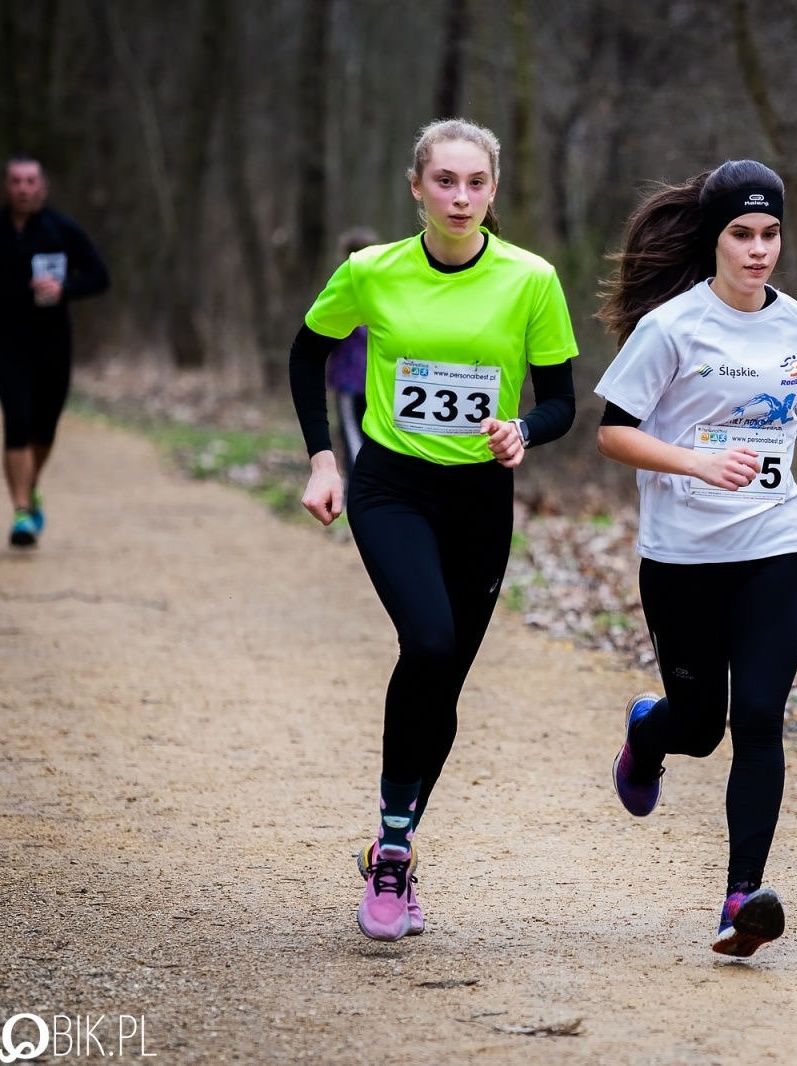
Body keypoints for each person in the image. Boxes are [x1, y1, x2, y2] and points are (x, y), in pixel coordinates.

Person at [289, 119, 578, 943]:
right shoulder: (370, 272)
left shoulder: (531, 279)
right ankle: (390, 854)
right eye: (444, 181)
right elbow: (306, 357)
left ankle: (397, 839)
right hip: (392, 487)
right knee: (429, 642)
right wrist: (322, 460)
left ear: (494, 190)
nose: (460, 197)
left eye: (475, 183)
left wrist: (527, 429)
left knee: (444, 679)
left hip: (481, 498)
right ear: (416, 187)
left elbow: (561, 397)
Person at [594, 159, 797, 957]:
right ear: (714, 238)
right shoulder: (672, 328)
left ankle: (740, 899)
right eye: (742, 234)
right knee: (700, 728)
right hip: (679, 557)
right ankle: (650, 734)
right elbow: (613, 432)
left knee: (758, 718)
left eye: (771, 234)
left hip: (770, 548)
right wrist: (694, 463)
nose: (758, 250)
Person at [0, 159, 109, 547]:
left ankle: (30, 483)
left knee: (45, 426)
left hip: (53, 342)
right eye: (16, 181)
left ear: (44, 187)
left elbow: (100, 276)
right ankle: (22, 513)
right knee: (16, 420)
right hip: (6, 340)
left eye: (31, 181)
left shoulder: (62, 230)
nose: (23, 188)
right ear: (5, 187)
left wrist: (64, 290)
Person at [326, 227, 379, 479]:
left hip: (353, 380)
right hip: (372, 380)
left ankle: (359, 491)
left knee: (352, 436)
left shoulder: (342, 289)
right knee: (366, 436)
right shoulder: (384, 288)